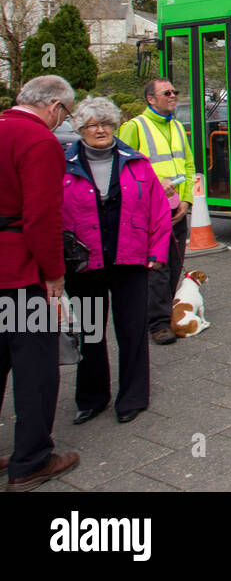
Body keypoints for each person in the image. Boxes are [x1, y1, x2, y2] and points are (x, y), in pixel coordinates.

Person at [62, 97, 170, 425]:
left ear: (115, 126)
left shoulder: (136, 163)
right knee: (91, 331)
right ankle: (92, 398)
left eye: (106, 124)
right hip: (84, 264)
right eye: (92, 125)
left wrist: (156, 254)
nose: (100, 130)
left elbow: (159, 212)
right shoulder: (62, 164)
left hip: (130, 260)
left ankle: (133, 397)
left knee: (132, 330)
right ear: (80, 129)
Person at [0, 75, 80, 490]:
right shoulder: (39, 143)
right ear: (53, 106)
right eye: (65, 113)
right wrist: (53, 273)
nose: (61, 121)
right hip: (18, 273)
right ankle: (30, 460)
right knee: (35, 370)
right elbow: (41, 218)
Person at [117, 79, 195, 345]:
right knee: (157, 267)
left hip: (177, 210)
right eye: (167, 93)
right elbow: (124, 168)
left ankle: (167, 312)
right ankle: (158, 324)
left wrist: (186, 201)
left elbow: (188, 164)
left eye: (175, 92)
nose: (173, 96)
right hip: (151, 212)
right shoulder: (134, 127)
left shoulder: (175, 125)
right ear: (151, 99)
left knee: (174, 265)